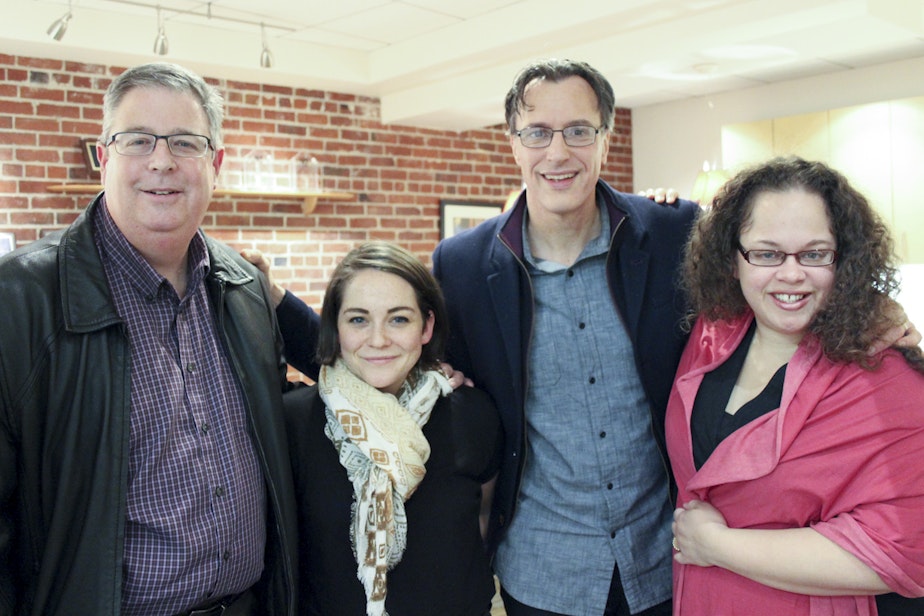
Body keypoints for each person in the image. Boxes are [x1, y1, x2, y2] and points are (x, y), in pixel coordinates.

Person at [264, 58, 919, 616]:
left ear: (606, 136)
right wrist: (269, 300)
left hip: (667, 558)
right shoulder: (462, 264)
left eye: (579, 130)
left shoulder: (672, 235)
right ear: (512, 141)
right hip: (542, 570)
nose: (558, 151)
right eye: (538, 132)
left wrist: (880, 318)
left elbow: (780, 280)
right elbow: (376, 353)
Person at [0, 62, 296, 615]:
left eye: (186, 142)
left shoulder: (244, 289)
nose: (162, 160)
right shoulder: (20, 299)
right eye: (138, 140)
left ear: (216, 164)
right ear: (104, 156)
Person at [667, 156, 924, 615]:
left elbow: (902, 552)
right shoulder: (712, 336)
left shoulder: (886, 377)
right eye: (767, 253)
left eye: (814, 254)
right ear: (733, 260)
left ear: (843, 259)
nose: (791, 274)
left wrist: (718, 546)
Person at [282, 241, 502, 616]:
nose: (378, 339)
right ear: (335, 326)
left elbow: (485, 522)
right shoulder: (294, 424)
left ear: (427, 326)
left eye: (399, 318)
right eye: (358, 319)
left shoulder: (473, 414)